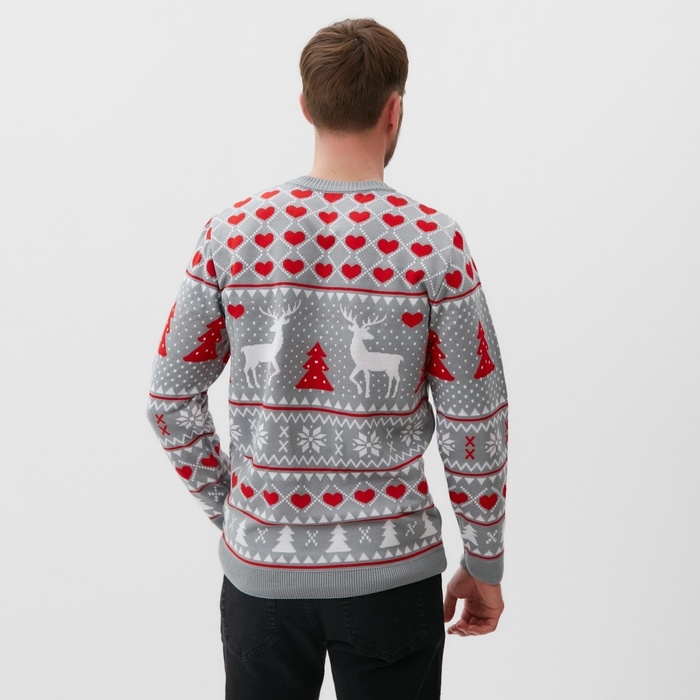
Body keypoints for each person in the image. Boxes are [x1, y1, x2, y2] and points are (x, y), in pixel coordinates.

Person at [147, 17, 507, 700]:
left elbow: (168, 402)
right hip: (392, 578)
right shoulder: (435, 243)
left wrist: (241, 515)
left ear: (306, 106)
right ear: (394, 111)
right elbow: (475, 420)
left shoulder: (230, 234)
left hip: (260, 577)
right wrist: (484, 560)